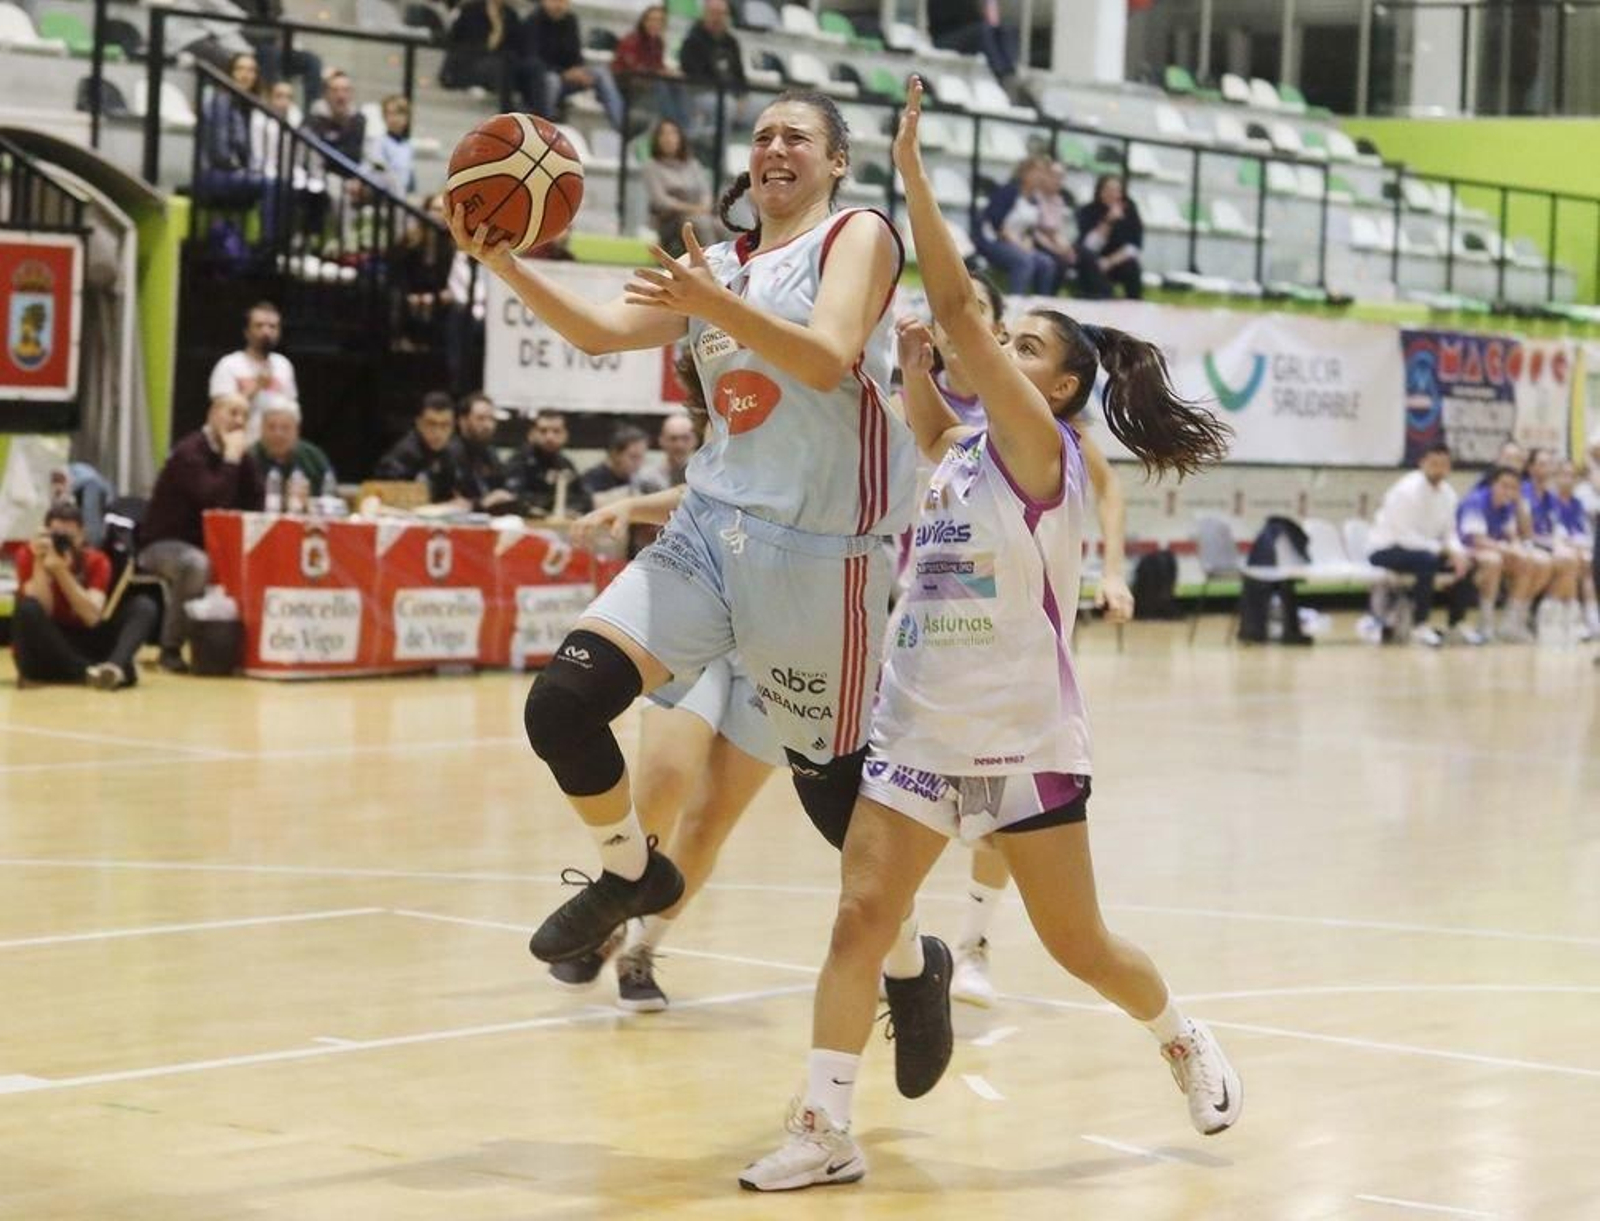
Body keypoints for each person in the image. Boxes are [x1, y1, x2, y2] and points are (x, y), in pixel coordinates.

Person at [739, 76, 1238, 1192]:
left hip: (1021, 736)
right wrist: (918, 369)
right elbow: (927, 419)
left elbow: (962, 314)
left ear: (1052, 386)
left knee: (1078, 946)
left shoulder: (1040, 449)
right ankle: (823, 1128)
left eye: (1020, 346)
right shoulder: (965, 441)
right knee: (860, 916)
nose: (994, 347)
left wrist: (911, 176)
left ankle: (1178, 1037)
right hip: (916, 725)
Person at [449, 89, 943, 1081]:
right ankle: (636, 873)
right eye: (761, 135)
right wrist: (498, 258)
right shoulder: (712, 267)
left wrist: (707, 301)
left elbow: (828, 355)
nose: (773, 148)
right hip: (708, 534)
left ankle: (908, 960)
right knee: (563, 705)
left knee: (837, 811)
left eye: (795, 136)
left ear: (835, 162)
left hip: (821, 560)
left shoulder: (858, 234)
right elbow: (595, 332)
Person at [902, 271, 1136, 1009]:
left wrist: (1115, 570)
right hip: (931, 642)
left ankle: (970, 940)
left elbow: (1108, 489)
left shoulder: (1040, 426)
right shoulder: (949, 417)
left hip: (1010, 649)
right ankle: (906, 955)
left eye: (1008, 334)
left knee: (1000, 817)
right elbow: (932, 436)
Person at [549, 355, 784, 1010]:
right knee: (661, 785)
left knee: (710, 824)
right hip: (703, 617)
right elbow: (715, 493)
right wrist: (633, 503)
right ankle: (613, 904)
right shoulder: (741, 412)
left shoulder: (837, 418)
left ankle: (641, 950)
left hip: (780, 637)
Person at [138, 393, 265, 672]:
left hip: (212, 545)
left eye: (244, 416)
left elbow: (257, 501)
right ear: (213, 414)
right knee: (196, 564)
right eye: (232, 413)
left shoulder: (242, 455)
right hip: (163, 545)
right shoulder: (190, 452)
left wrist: (243, 460)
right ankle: (170, 650)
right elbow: (212, 500)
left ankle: (242, 650)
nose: (239, 421)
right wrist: (232, 459)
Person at [12, 501, 159, 691]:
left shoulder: (97, 561)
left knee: (144, 605)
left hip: (84, 637)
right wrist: (40, 564)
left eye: (69, 537)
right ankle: (86, 672)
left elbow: (91, 617)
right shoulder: (28, 555)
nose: (62, 542)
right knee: (27, 609)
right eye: (56, 536)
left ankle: (113, 667)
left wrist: (62, 572)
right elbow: (41, 608)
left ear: (82, 536)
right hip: (48, 641)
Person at [1365, 443, 1473, 647]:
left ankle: (1456, 625)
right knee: (1427, 562)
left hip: (1424, 549)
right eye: (1434, 464)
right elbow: (1404, 536)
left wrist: (1458, 552)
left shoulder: (1448, 494)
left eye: (1444, 464)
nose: (1439, 469)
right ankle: (1420, 625)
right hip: (1385, 548)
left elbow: (1450, 533)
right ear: (1422, 463)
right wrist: (1442, 550)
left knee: (1465, 562)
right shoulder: (1405, 491)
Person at [1456, 465, 1546, 643]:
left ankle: (1512, 622)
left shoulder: (1507, 506)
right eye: (1504, 486)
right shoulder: (1476, 500)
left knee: (1538, 562)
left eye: (1514, 488)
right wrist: (1507, 549)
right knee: (1493, 560)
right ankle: (1486, 623)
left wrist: (1518, 549)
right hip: (1465, 551)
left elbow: (1512, 536)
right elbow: (1476, 540)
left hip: (1493, 548)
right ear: (1493, 484)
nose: (1509, 491)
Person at [198, 53, 278, 240]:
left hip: (234, 173)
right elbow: (220, 154)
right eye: (240, 69)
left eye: (251, 70)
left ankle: (275, 242)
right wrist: (247, 170)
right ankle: (269, 244)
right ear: (229, 73)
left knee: (279, 183)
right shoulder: (222, 101)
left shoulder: (248, 106)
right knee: (269, 184)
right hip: (214, 175)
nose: (245, 75)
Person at [974, 155, 1073, 295]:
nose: (1041, 176)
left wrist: (1027, 242)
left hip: (1017, 243)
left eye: (1043, 172)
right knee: (1024, 261)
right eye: (1037, 171)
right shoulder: (1008, 192)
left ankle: (1041, 304)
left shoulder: (1034, 200)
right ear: (1025, 173)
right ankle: (1016, 301)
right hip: (992, 242)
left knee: (1046, 263)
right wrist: (1018, 244)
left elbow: (1030, 230)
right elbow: (995, 224)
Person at [524, 0, 625, 131]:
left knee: (601, 72)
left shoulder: (570, 21)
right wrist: (563, 73)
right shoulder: (533, 22)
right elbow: (532, 61)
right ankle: (544, 130)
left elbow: (575, 55)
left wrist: (580, 70)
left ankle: (622, 126)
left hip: (567, 77)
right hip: (540, 80)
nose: (559, 5)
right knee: (551, 79)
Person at [208, 301, 298, 441]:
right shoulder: (229, 364)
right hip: (239, 447)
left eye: (272, 327)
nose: (266, 331)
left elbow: (292, 413)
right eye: (259, 325)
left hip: (272, 449)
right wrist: (256, 387)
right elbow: (221, 414)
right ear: (247, 332)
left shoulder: (283, 365)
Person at [439, 0, 548, 115]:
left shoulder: (510, 14)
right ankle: (507, 109)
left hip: (504, 63)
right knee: (503, 63)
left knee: (534, 66)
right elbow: (456, 43)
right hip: (471, 63)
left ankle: (539, 113)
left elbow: (519, 46)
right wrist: (496, 29)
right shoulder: (469, 10)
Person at [1522, 448, 1584, 645]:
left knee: (1572, 558)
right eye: (1541, 464)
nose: (1546, 469)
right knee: (1560, 560)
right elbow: (1528, 532)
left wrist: (1563, 544)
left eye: (1549, 464)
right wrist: (1555, 545)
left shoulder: (1550, 497)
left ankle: (1564, 618)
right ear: (1530, 468)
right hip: (1527, 544)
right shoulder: (1524, 491)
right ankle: (1541, 617)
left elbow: (1556, 528)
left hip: (1545, 544)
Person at [374, 391, 467, 505]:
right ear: (419, 423)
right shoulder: (403, 455)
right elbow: (386, 499)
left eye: (445, 425)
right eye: (431, 424)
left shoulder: (454, 452)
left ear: (453, 426)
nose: (438, 432)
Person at [642, 120, 719, 255]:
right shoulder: (652, 166)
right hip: (670, 220)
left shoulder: (693, 164)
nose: (669, 138)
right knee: (701, 224)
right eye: (663, 135)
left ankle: (737, 267)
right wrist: (692, 209)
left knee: (721, 225)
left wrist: (705, 206)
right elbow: (661, 201)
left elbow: (705, 191)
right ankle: (712, 266)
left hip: (699, 214)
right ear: (656, 140)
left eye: (673, 134)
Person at [927, 0, 1023, 98]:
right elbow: (955, 18)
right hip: (944, 38)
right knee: (983, 31)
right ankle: (1001, 74)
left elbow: (989, 22)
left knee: (1007, 30)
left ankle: (1011, 72)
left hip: (968, 33)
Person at [677, 0, 749, 129]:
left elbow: (740, 75)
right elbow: (694, 76)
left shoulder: (731, 42)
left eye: (722, 14)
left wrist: (742, 97)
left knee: (769, 107)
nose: (718, 18)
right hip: (702, 94)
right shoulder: (692, 41)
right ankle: (720, 147)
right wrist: (728, 94)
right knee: (727, 106)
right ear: (705, 14)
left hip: (732, 95)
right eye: (714, 13)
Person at [613, 5, 687, 127]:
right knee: (660, 84)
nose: (655, 24)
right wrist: (658, 73)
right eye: (652, 20)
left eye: (659, 21)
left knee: (678, 84)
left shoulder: (658, 43)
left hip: (648, 86)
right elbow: (635, 69)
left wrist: (669, 72)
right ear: (643, 21)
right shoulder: (631, 40)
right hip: (627, 88)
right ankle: (673, 125)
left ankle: (683, 126)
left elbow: (658, 66)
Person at [511, 409, 593, 517]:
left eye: (556, 431)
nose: (550, 437)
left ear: (565, 435)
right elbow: (514, 498)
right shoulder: (519, 461)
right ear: (531, 434)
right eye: (543, 431)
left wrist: (569, 507)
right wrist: (552, 499)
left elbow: (585, 500)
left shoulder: (566, 464)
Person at [1075, 174, 1145, 300]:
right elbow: (1089, 246)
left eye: (1116, 190)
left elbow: (1134, 246)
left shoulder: (1130, 211)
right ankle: (1103, 298)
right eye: (1108, 190)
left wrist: (1109, 261)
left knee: (1132, 266)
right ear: (1100, 191)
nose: (1112, 194)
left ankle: (1134, 301)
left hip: (1117, 260)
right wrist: (1108, 221)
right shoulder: (1087, 211)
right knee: (1087, 262)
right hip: (1093, 260)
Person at [1551, 458, 1598, 639]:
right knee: (1576, 560)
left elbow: (1583, 532)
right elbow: (1553, 531)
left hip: (1577, 548)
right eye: (1563, 475)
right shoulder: (1551, 500)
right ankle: (1573, 619)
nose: (1567, 479)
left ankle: (1592, 619)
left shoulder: (1577, 503)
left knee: (1587, 561)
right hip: (1555, 547)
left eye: (1572, 476)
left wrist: (1579, 545)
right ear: (1555, 477)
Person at [248, 395, 334, 490]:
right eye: (271, 427)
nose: (278, 434)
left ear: (297, 430)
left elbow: (332, 497)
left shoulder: (313, 457)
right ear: (261, 429)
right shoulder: (249, 458)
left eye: (285, 428)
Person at [450, 392, 517, 511]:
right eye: (480, 419)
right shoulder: (450, 453)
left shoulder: (490, 453)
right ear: (462, 421)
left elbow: (503, 485)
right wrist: (481, 503)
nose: (488, 425)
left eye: (491, 419)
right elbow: (451, 501)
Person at [579, 424, 652, 504]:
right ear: (615, 454)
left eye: (641, 457)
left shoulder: (637, 480)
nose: (639, 463)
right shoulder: (591, 480)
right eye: (633, 457)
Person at [306, 70, 366, 165]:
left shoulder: (359, 120)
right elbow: (314, 158)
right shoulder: (313, 120)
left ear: (352, 94)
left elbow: (353, 157)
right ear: (325, 94)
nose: (341, 96)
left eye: (345, 90)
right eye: (335, 90)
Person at [366, 95, 416, 198]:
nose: (395, 118)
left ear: (407, 118)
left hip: (402, 197)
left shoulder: (408, 146)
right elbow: (380, 170)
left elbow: (409, 176)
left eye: (399, 114)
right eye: (390, 114)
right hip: (384, 196)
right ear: (384, 116)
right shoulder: (378, 142)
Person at [643, 411, 697, 489]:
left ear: (695, 440)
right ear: (661, 440)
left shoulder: (705, 476)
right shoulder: (647, 478)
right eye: (673, 439)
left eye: (685, 438)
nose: (679, 445)